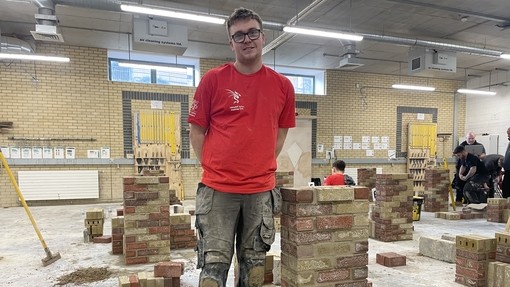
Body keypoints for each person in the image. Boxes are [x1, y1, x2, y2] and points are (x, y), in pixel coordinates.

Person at [187, 7, 296, 287]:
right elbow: (197, 131)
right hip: (218, 191)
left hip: (259, 191)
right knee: (213, 268)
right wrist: (214, 166)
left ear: (263, 37)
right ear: (230, 42)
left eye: (252, 33)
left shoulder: (283, 86)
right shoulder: (213, 80)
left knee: (254, 269)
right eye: (239, 35)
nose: (247, 39)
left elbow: (281, 132)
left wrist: (258, 164)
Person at [453, 131, 487, 203]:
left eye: (472, 138)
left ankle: (475, 204)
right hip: (471, 171)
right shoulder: (462, 150)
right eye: (469, 138)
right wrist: (460, 175)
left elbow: (473, 169)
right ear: (466, 138)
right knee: (463, 186)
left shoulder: (473, 154)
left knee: (468, 188)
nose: (471, 140)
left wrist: (466, 177)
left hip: (479, 174)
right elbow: (463, 165)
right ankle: (465, 202)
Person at [503, 127, 510, 198]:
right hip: (507, 171)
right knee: (505, 189)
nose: (507, 136)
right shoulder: (509, 143)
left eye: (509, 134)